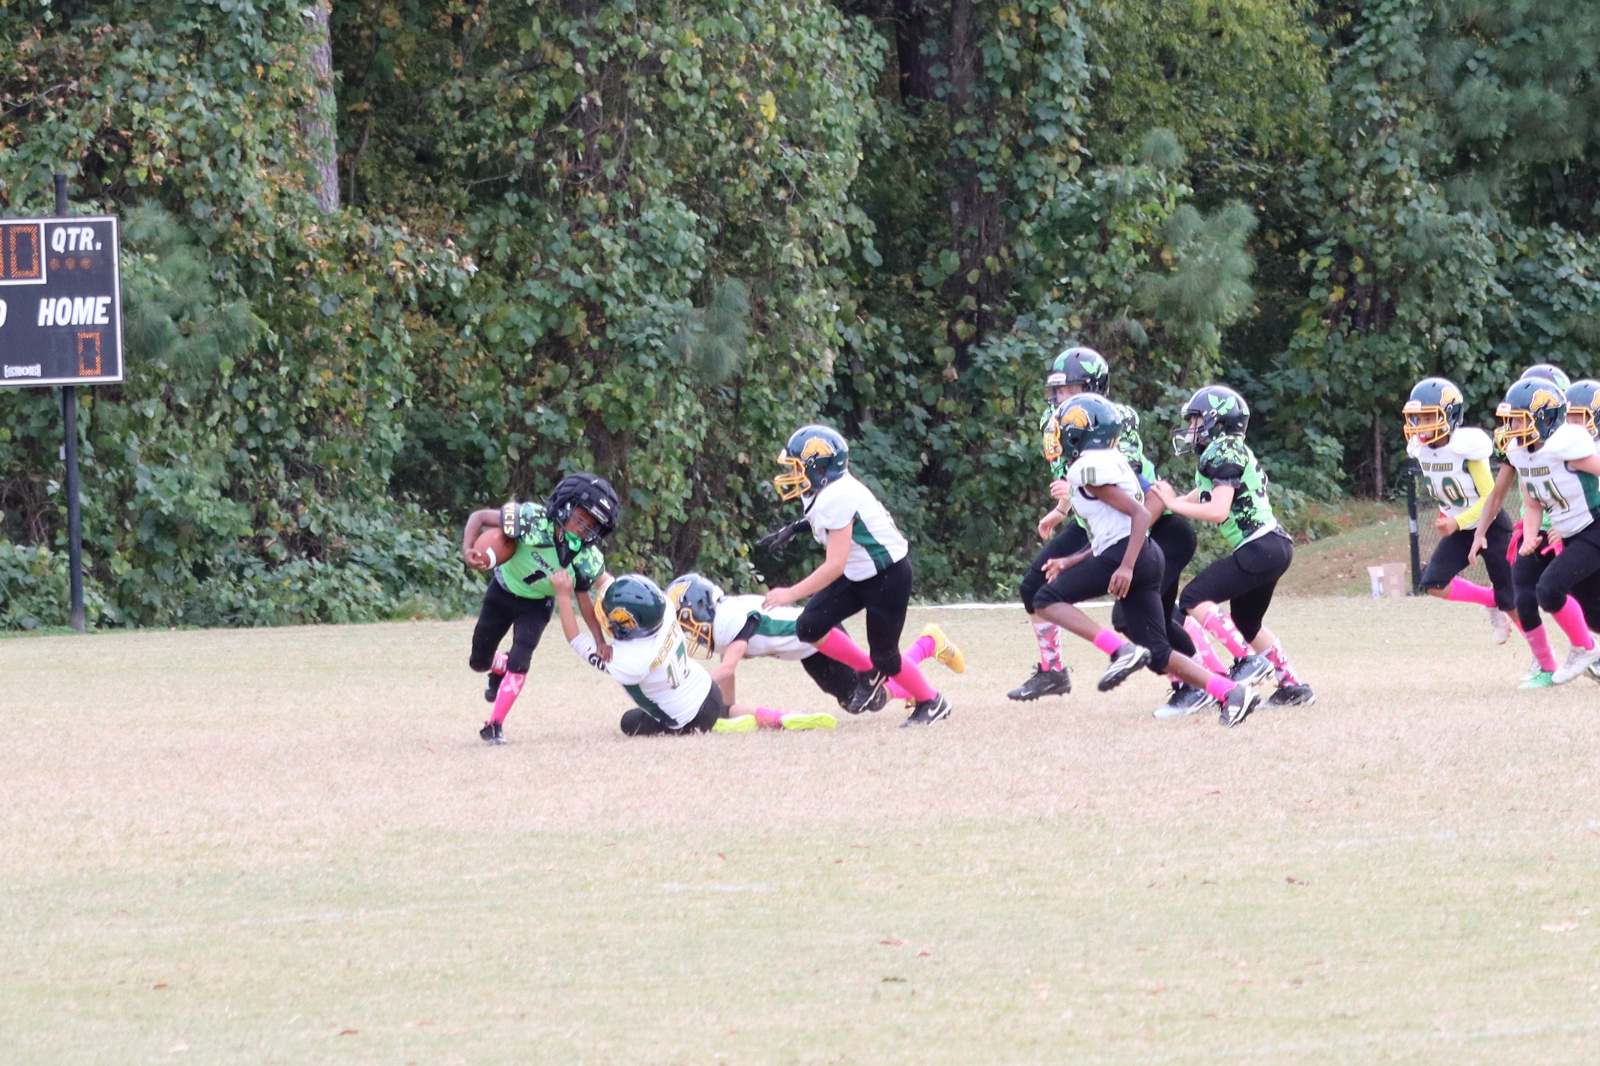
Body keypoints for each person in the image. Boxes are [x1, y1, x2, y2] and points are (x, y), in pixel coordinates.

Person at [1029, 394, 1261, 726]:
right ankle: (1232, 693)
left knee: (1045, 600)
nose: (1057, 434)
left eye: (1063, 427)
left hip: (1129, 555)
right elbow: (1114, 526)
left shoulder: (1085, 468)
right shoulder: (1111, 460)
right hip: (1144, 553)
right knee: (1159, 651)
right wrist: (1070, 561)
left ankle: (1119, 650)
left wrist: (1126, 565)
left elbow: (1138, 514)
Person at [762, 424, 953, 727]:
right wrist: (795, 528)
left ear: (820, 468)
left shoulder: (837, 495)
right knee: (809, 627)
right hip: (859, 573)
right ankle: (870, 671)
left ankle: (931, 701)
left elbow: (834, 566)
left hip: (887, 577)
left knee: (886, 657)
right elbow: (826, 521)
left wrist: (790, 593)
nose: (792, 474)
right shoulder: (827, 489)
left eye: (797, 467)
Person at [1153, 385, 1316, 707]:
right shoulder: (1228, 450)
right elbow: (1198, 497)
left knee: (1193, 598)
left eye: (1196, 420)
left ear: (1217, 421)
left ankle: (1248, 660)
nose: (1191, 428)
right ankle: (1292, 687)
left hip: (1260, 547)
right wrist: (1165, 504)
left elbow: (1217, 510)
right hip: (1271, 547)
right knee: (1248, 623)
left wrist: (1172, 503)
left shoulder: (1223, 451)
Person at [550, 570, 835, 734]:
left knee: (629, 722)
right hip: (708, 691)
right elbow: (615, 585)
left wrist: (565, 594)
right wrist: (589, 578)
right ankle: (779, 717)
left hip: (686, 719)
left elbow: (576, 639)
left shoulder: (627, 662)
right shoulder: (665, 609)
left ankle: (719, 726)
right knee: (721, 709)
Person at [459, 473, 619, 744]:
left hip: (537, 605)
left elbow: (585, 603)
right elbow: (479, 517)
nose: (583, 529)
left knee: (522, 660)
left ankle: (494, 725)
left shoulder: (585, 558)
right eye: (580, 519)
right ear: (564, 506)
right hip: (503, 590)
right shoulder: (531, 520)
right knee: (479, 662)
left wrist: (600, 641)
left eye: (591, 526)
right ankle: (499, 665)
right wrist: (467, 548)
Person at [666, 572, 964, 711]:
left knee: (871, 693)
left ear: (700, 607)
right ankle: (917, 673)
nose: (688, 631)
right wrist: (726, 709)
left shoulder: (730, 618)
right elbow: (727, 664)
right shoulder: (723, 621)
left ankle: (928, 643)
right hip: (808, 650)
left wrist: (688, 686)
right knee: (857, 700)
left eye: (685, 621)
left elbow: (728, 667)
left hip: (822, 637)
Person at [1469, 369, 1599, 687]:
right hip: (1571, 533)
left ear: (1545, 418)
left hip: (1593, 526)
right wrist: (1529, 536)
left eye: (1518, 420)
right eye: (1510, 421)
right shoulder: (1522, 454)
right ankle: (1585, 648)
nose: (1511, 428)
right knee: (1594, 614)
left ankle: (1584, 650)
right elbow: (1532, 503)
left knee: (1549, 590)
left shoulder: (1565, 446)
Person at [1402, 377, 1526, 648]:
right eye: (1418, 418)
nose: (1421, 424)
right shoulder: (1422, 450)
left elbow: (1491, 498)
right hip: (1460, 529)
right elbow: (1445, 488)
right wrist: (1447, 515)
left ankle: (1543, 656)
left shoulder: (1465, 448)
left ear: (1449, 415)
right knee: (1433, 583)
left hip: (1491, 526)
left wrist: (1457, 522)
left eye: (1428, 417)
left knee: (1510, 600)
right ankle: (1491, 602)